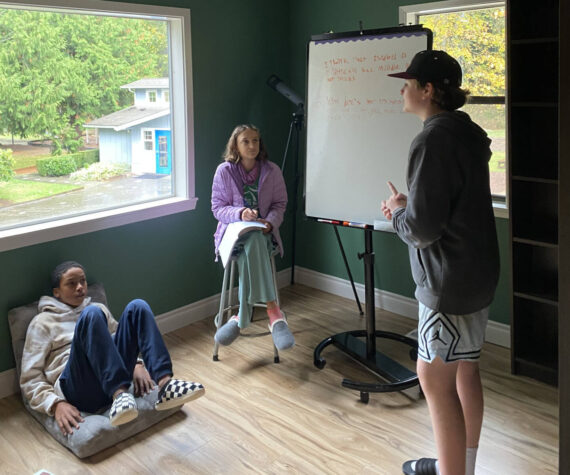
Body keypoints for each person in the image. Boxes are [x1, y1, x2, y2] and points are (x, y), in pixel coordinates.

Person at [381, 51, 500, 475]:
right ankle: (460, 465)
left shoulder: (431, 139)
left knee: (434, 380)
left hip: (447, 282)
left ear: (428, 91)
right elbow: (453, 206)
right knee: (466, 369)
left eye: (409, 83)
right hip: (478, 273)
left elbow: (423, 229)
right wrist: (410, 205)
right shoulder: (467, 133)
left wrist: (396, 212)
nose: (403, 90)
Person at [20, 261, 205, 434]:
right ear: (57, 292)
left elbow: (119, 339)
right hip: (79, 387)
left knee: (137, 306)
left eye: (82, 281)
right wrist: (55, 404)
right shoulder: (42, 323)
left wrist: (137, 365)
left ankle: (165, 385)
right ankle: (120, 395)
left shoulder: (98, 307)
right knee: (91, 314)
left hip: (107, 379)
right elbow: (30, 378)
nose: (80, 287)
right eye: (71, 283)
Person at [211, 124, 294, 351]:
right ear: (235, 145)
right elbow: (217, 208)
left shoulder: (272, 170)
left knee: (256, 241)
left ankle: (241, 317)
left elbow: (280, 204)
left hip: (264, 234)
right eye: (245, 141)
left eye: (255, 140)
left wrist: (270, 222)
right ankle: (273, 313)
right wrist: (240, 213)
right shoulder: (224, 171)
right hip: (234, 236)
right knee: (252, 242)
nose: (252, 145)